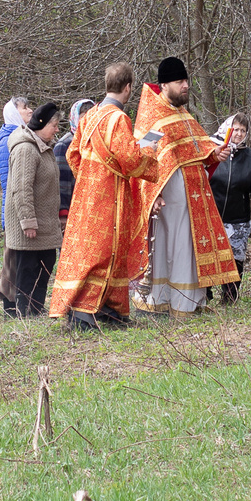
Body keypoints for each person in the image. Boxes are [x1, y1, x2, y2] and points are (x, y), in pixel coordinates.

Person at [131, 55, 238, 316]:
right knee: (170, 246)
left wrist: (215, 153)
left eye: (186, 80)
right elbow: (143, 159)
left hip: (193, 195)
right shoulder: (153, 115)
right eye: (180, 81)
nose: (186, 85)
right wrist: (153, 194)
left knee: (188, 245)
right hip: (167, 197)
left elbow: (198, 147)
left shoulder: (182, 113)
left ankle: (189, 302)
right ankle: (163, 301)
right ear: (164, 85)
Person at [52, 64, 157, 329]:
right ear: (128, 87)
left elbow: (72, 154)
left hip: (86, 196)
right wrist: (150, 150)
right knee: (105, 252)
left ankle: (107, 308)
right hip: (110, 198)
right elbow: (131, 160)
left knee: (91, 251)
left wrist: (89, 178)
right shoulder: (118, 119)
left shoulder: (90, 115)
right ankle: (87, 311)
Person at [2, 100, 65, 317]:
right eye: (54, 126)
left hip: (45, 223)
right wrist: (28, 221)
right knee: (28, 269)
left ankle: (36, 308)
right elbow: (21, 188)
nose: (57, 130)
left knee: (46, 263)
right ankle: (24, 311)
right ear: (41, 124)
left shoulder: (44, 147)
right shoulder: (26, 149)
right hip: (30, 226)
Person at [206, 113, 251, 306]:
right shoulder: (213, 152)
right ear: (227, 129)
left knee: (235, 259)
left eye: (243, 130)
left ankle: (230, 296)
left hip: (238, 219)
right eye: (236, 129)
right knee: (209, 257)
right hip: (212, 216)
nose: (239, 134)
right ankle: (205, 295)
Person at [0, 96, 32, 228]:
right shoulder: (8, 140)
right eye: (25, 108)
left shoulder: (21, 135)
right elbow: (9, 182)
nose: (30, 111)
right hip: (14, 211)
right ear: (14, 113)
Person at [56, 98, 94, 218]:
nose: (87, 121)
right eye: (83, 117)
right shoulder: (64, 145)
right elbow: (61, 182)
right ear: (75, 118)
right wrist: (63, 211)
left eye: (91, 116)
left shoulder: (96, 142)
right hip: (73, 207)